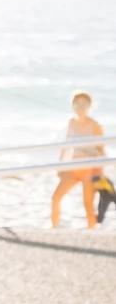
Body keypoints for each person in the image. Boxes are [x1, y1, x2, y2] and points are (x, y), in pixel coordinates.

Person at [51, 91, 104, 229]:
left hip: (88, 170)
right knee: (55, 197)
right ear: (73, 105)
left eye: (84, 104)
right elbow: (65, 146)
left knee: (88, 204)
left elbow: (101, 151)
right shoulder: (70, 122)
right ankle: (54, 228)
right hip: (72, 169)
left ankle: (91, 233)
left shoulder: (95, 125)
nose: (80, 107)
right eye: (77, 103)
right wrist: (60, 166)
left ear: (89, 106)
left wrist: (99, 173)